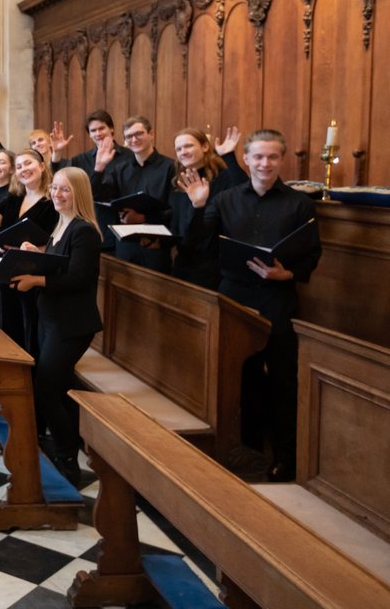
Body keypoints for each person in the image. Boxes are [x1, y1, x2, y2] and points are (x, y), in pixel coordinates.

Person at [185, 129, 321, 481]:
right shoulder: (225, 198)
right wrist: (199, 207)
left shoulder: (299, 204)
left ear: (281, 159)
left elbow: (311, 255)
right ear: (245, 159)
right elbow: (201, 247)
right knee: (242, 377)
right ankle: (247, 452)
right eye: (258, 157)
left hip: (277, 298)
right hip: (235, 297)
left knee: (281, 379)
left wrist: (287, 274)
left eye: (272, 157)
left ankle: (285, 460)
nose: (264, 163)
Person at [12, 167, 103, 487]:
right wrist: (33, 254)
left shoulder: (85, 231)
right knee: (58, 389)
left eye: (65, 190)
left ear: (78, 194)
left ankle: (68, 459)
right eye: (55, 188)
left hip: (72, 323)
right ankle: (72, 447)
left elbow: (77, 278)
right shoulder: (60, 225)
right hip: (51, 318)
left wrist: (34, 279)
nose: (57, 195)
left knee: (46, 389)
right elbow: (58, 261)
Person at [0, 148, 58, 351]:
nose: (23, 169)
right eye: (19, 166)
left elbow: (57, 243)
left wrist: (25, 249)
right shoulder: (14, 198)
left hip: (36, 276)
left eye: (28, 163)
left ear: (42, 166)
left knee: (32, 331)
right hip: (9, 274)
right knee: (10, 329)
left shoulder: (53, 201)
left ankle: (33, 377)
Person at [90, 115, 177, 273]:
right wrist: (99, 167)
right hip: (126, 245)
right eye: (129, 136)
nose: (134, 139)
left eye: (139, 134)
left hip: (155, 245)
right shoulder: (121, 169)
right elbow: (98, 196)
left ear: (151, 134)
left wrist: (144, 218)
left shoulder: (170, 167)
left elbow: (176, 210)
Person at [169, 126, 244, 288]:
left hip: (213, 265)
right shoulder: (178, 182)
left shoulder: (222, 177)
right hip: (183, 263)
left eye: (188, 146)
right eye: (178, 149)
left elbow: (244, 192)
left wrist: (229, 155)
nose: (183, 151)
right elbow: (177, 224)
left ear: (204, 146)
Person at [54, 110, 126, 252]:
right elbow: (60, 182)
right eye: (93, 130)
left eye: (101, 128)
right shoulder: (80, 160)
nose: (98, 133)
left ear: (111, 128)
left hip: (123, 229)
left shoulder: (129, 156)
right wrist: (56, 153)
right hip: (92, 227)